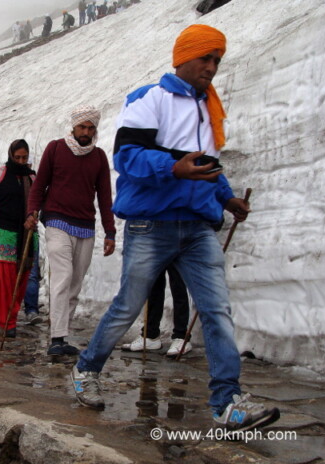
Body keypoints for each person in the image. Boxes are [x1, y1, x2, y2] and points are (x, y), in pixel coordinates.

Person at [71, 25, 280, 435]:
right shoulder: (151, 99)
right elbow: (127, 156)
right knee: (128, 307)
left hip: (198, 227)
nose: (212, 67)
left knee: (217, 310)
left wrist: (226, 198)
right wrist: (172, 167)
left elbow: (206, 165)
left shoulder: (209, 108)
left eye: (217, 60)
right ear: (183, 57)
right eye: (206, 57)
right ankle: (85, 369)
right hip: (152, 224)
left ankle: (226, 402)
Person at [25, 105, 116, 356]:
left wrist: (110, 232)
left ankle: (62, 336)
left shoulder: (98, 157)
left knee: (75, 284)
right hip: (56, 221)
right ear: (73, 127)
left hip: (85, 226)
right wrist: (32, 211)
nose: (86, 132)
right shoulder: (55, 148)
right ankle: (56, 338)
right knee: (63, 277)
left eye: (90, 128)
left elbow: (105, 197)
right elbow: (39, 184)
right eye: (82, 127)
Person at [0, 140, 37, 338]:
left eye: (24, 157)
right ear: (10, 155)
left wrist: (35, 217)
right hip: (4, 233)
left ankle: (12, 315)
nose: (21, 161)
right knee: (5, 282)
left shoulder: (32, 177)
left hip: (27, 235)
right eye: (17, 157)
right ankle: (6, 321)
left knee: (21, 281)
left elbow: (40, 204)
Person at [121, 265, 192, 356]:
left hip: (179, 251)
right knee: (154, 284)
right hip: (157, 250)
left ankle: (181, 337)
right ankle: (151, 335)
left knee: (178, 285)